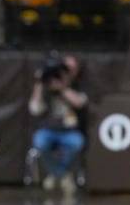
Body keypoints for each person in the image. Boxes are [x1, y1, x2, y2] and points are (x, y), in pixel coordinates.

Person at [29, 53, 88, 194]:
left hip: (69, 132)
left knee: (77, 142)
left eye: (71, 69)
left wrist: (62, 88)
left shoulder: (78, 85)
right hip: (49, 130)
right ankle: (61, 175)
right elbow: (34, 109)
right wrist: (39, 83)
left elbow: (80, 102)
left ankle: (56, 175)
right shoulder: (45, 87)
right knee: (40, 141)